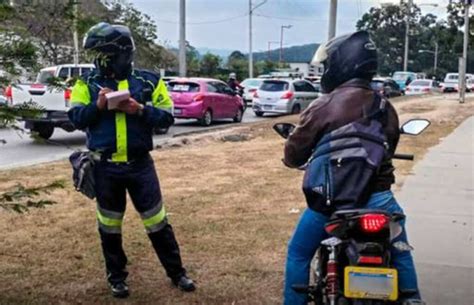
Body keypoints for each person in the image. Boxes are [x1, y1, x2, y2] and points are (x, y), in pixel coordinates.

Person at [282, 31, 424, 305]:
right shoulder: (385, 107)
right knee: (401, 252)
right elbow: (389, 150)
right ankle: (413, 300)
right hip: (380, 199)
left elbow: (294, 154)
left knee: (298, 253)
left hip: (331, 203)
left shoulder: (322, 106)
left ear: (341, 64)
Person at [68, 22, 195, 298]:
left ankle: (177, 273)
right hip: (105, 168)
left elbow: (167, 117)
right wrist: (98, 107)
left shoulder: (149, 80)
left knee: (158, 222)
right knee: (109, 227)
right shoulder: (86, 83)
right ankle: (117, 278)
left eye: (104, 56)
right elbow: (76, 118)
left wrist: (139, 110)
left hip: (140, 167)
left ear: (122, 54)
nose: (99, 62)